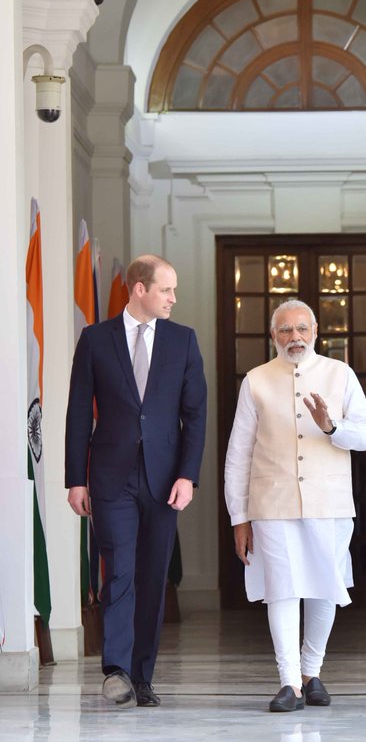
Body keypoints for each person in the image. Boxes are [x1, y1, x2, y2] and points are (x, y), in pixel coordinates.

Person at [65, 254, 207, 708]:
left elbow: (196, 415)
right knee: (119, 571)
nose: (173, 298)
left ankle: (143, 676)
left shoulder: (183, 341)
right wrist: (75, 478)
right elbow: (76, 412)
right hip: (109, 477)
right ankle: (117, 671)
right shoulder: (95, 339)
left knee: (151, 576)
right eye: (166, 289)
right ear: (140, 289)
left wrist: (189, 475)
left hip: (166, 481)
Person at [224, 299, 366, 712]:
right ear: (273, 336)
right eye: (286, 330)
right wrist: (239, 517)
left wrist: (332, 426)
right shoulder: (255, 380)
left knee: (325, 588)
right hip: (271, 503)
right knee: (282, 591)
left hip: (329, 502)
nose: (295, 337)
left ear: (315, 333)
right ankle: (289, 682)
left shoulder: (339, 374)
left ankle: (313, 672)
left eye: (302, 329)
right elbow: (238, 453)